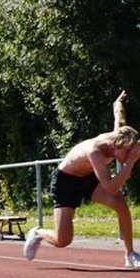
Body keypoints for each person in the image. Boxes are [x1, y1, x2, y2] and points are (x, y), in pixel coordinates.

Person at [24, 90, 140, 268]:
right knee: (62, 240)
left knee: (121, 205)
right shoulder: (95, 151)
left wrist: (118, 102)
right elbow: (110, 187)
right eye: (128, 151)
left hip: (89, 177)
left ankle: (130, 254)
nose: (130, 154)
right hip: (66, 182)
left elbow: (119, 114)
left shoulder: (120, 134)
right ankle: (38, 232)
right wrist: (129, 163)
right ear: (116, 146)